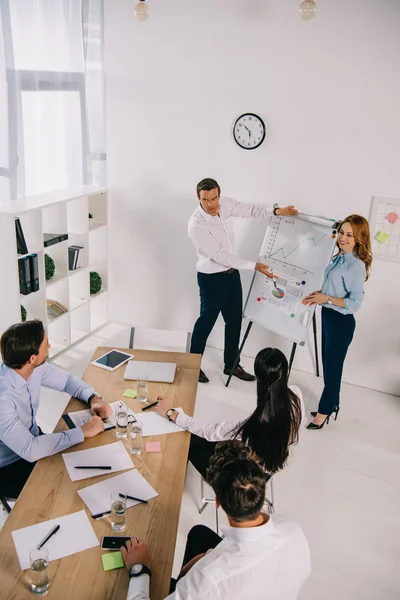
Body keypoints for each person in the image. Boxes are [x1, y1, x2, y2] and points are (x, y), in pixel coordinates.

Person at [121, 440, 311, 600]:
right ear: (263, 491)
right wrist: (210, 555)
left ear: (217, 502)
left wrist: (139, 568)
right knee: (200, 534)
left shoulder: (209, 578)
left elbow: (215, 576)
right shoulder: (292, 529)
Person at [188, 177, 298, 383]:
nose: (211, 204)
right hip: (211, 279)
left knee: (234, 320)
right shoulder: (196, 225)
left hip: (232, 275)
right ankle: (192, 367)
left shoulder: (225, 204)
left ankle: (231, 365)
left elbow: (249, 210)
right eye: (206, 200)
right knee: (206, 322)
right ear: (198, 198)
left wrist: (275, 211)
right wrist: (253, 265)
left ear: (219, 195)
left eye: (214, 198)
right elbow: (220, 255)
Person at [0, 319, 111, 498]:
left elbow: (67, 381)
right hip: (9, 467)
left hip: (33, 439)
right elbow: (30, 449)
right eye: (45, 344)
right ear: (32, 358)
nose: (49, 345)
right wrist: (82, 432)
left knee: (87, 464)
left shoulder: (32, 368)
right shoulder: (2, 399)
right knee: (65, 491)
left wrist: (93, 398)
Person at [156, 347, 304, 479]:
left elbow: (211, 432)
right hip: (271, 466)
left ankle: (173, 483)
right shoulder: (296, 395)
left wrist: (173, 414)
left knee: (189, 439)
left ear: (259, 380)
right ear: (287, 372)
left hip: (245, 476)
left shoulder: (256, 423)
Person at [302, 214, 372, 430]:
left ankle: (324, 412)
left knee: (333, 370)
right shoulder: (339, 257)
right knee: (329, 365)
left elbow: (354, 303)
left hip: (341, 322)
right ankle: (333, 403)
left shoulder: (355, 265)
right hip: (328, 316)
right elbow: (335, 286)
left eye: (349, 235)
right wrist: (321, 294)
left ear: (359, 238)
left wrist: (328, 299)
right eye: (341, 232)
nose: (343, 238)